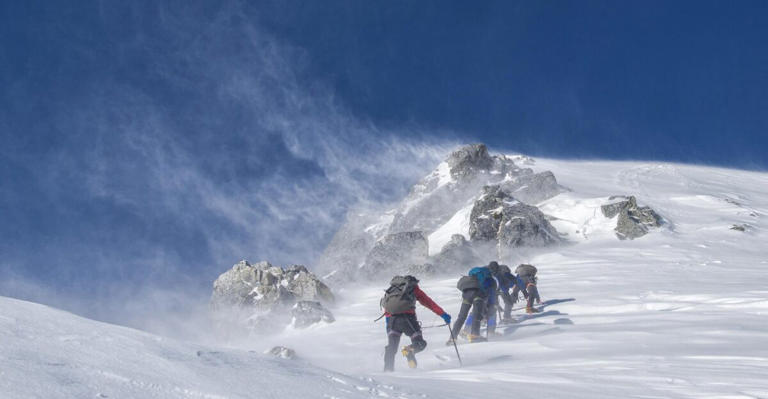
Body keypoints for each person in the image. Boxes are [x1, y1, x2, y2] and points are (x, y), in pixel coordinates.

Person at [380, 275, 451, 371]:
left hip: (392, 322)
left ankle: (388, 371)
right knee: (420, 343)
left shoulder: (392, 290)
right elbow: (429, 303)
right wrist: (443, 315)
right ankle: (409, 350)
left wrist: (389, 328)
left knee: (391, 348)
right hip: (408, 320)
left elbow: (387, 310)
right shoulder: (413, 288)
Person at [449, 262, 497, 344]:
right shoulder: (490, 279)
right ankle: (475, 336)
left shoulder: (475, 272)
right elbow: (492, 293)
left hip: (466, 293)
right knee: (477, 315)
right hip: (478, 294)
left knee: (461, 316)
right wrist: (492, 305)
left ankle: (452, 338)